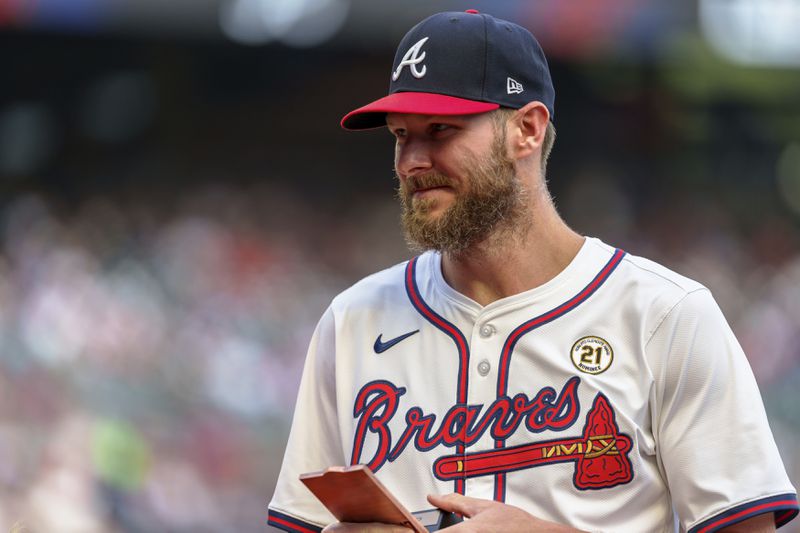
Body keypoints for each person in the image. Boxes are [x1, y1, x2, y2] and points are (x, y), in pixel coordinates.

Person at [267, 10, 798, 533]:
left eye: (440, 130)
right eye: (402, 135)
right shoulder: (352, 321)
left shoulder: (666, 316)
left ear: (527, 128)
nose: (412, 161)